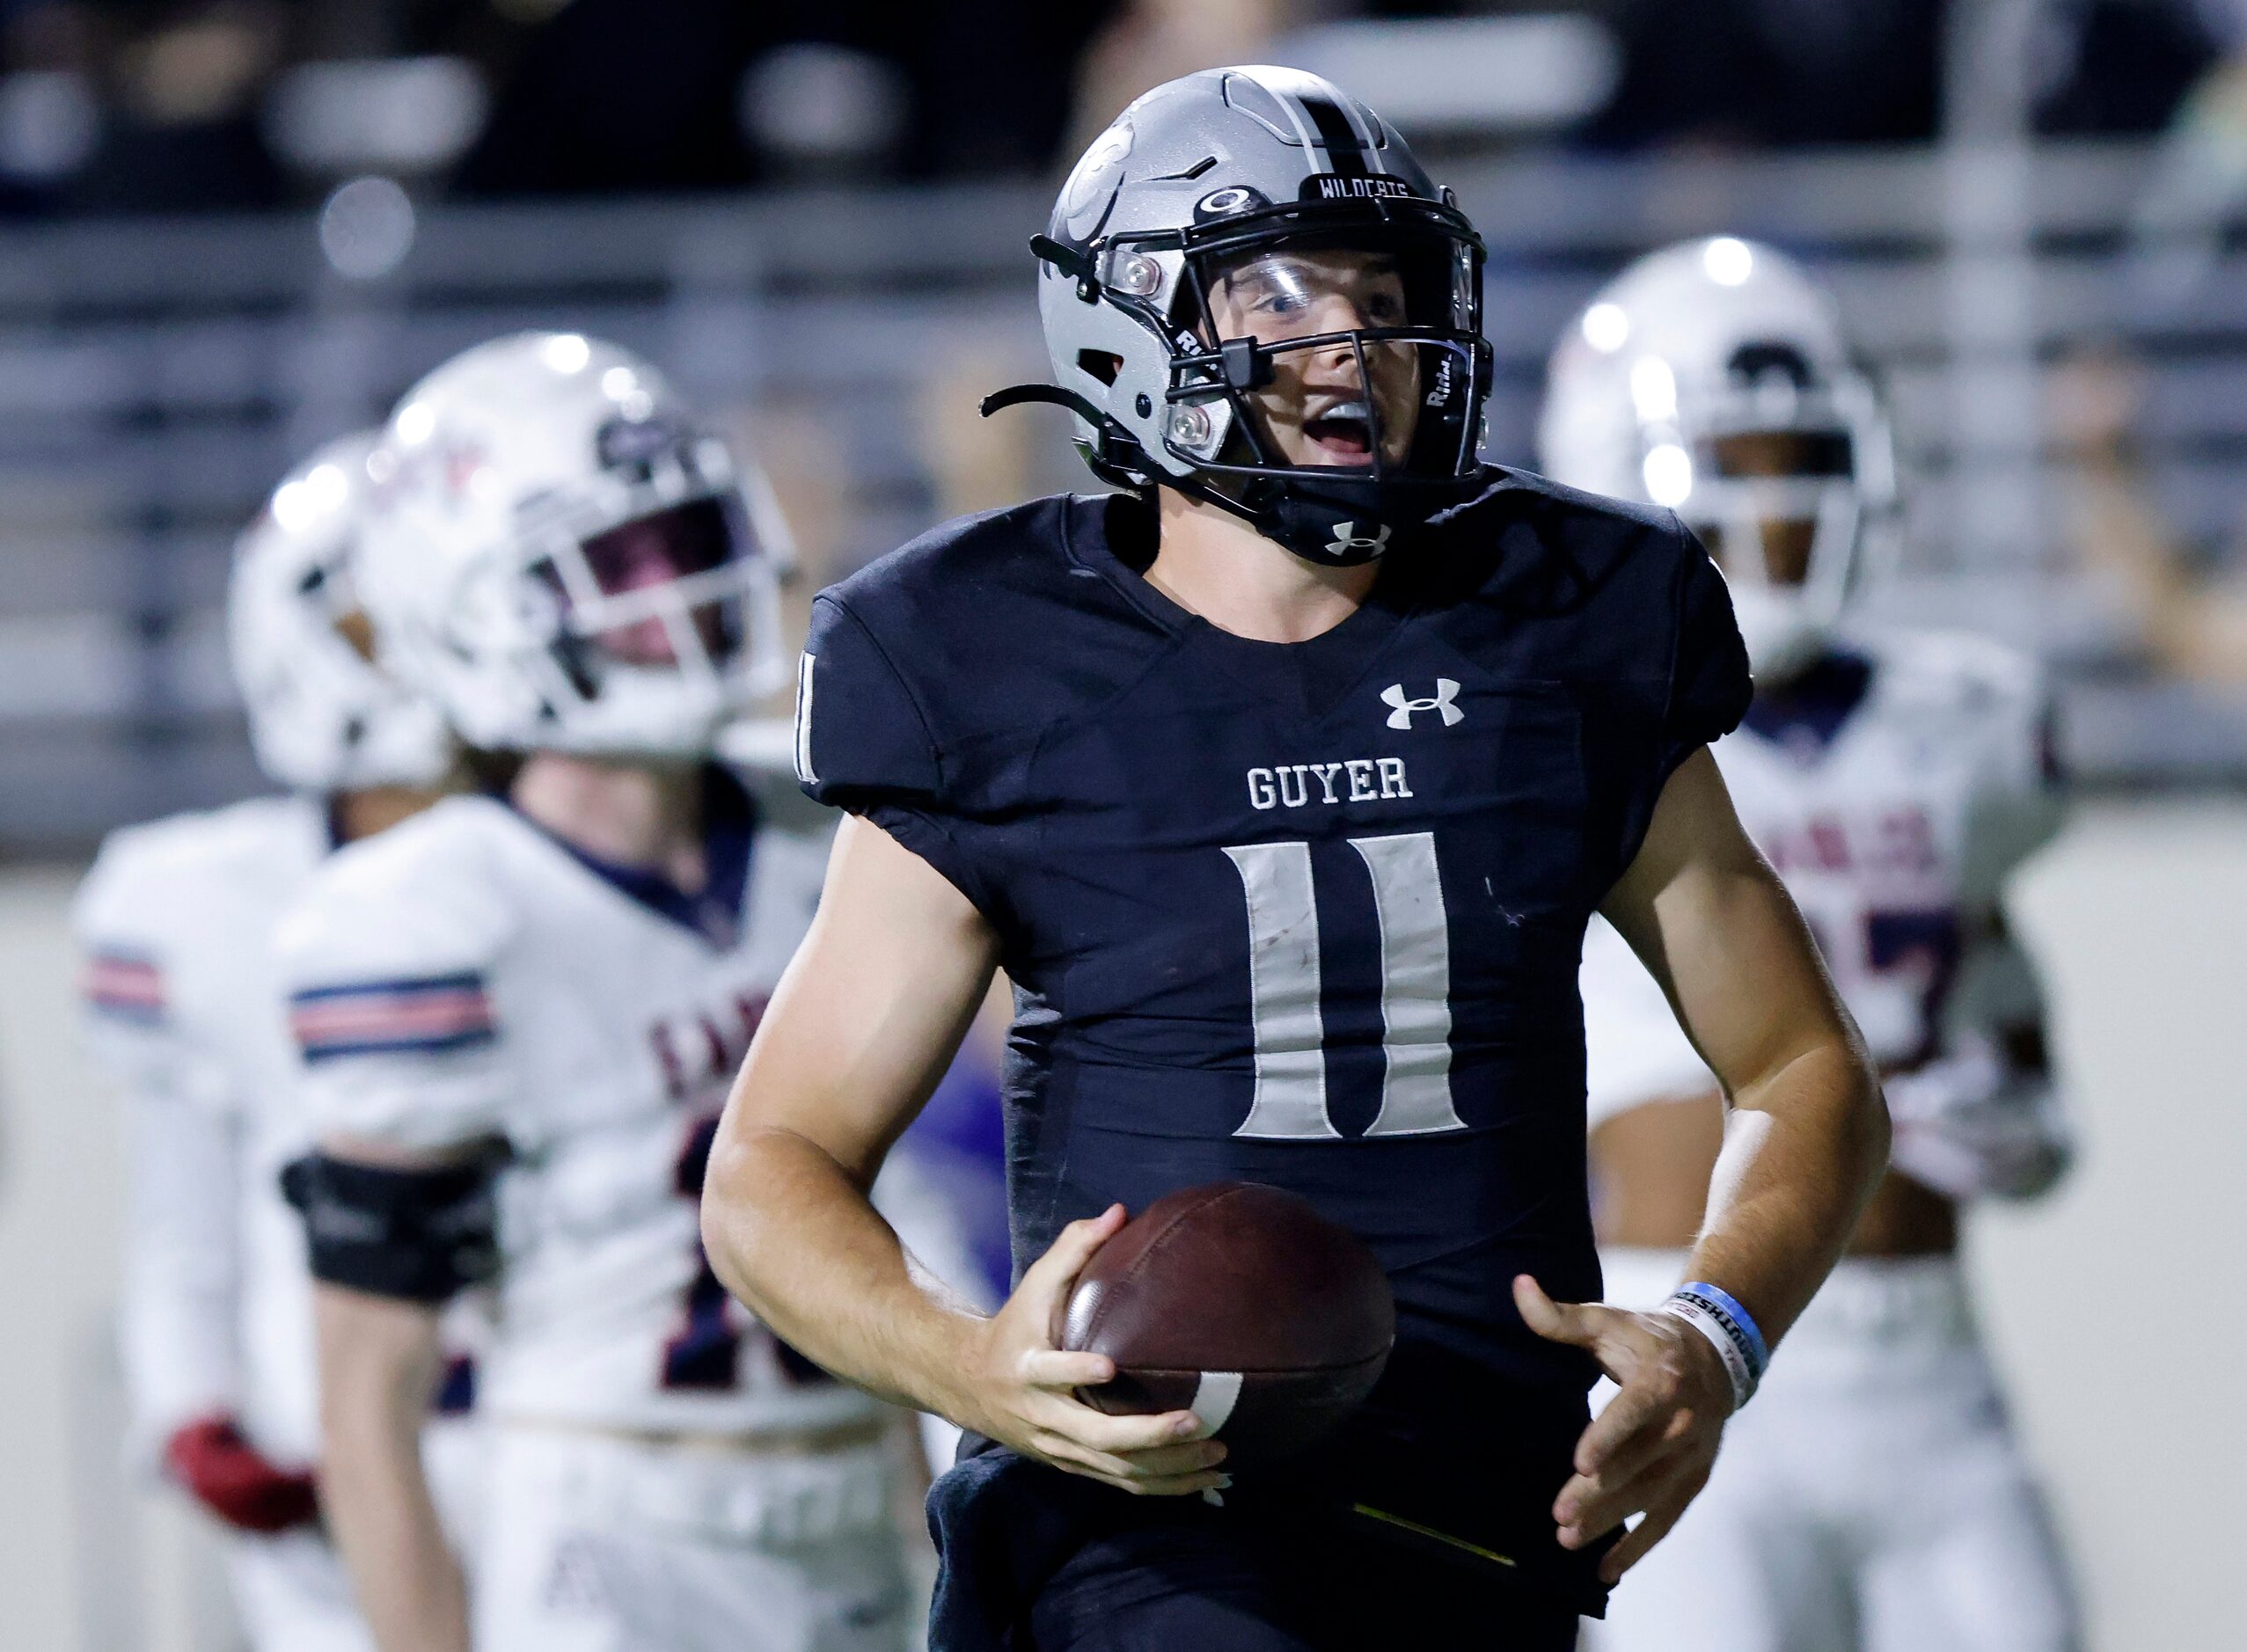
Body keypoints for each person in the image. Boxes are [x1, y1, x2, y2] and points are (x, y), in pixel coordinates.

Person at [699, 67, 1889, 1650]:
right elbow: (770, 1170)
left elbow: (1805, 1067)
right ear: (1131, 325)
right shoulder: (982, 659)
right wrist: (966, 1362)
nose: (1351, 340)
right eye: (1279, 291)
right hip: (1139, 1522)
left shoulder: (1570, 619)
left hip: (1486, 1519)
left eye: (1381, 293)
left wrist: (1716, 1330)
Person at [278, 333, 953, 1652]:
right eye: (622, 561)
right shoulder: (433, 911)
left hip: (852, 1502)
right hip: (614, 1527)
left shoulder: (825, 830)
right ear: (478, 605)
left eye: (688, 536)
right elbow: (366, 1397)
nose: (686, 589)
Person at [1541, 237, 2082, 1652]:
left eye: (1800, 455)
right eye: (1735, 457)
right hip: (1679, 1321)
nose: (1773, 504)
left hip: (1930, 1360)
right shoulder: (1571, 722)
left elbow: (1995, 973)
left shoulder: (1962, 719)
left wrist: (2019, 1100)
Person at [74, 433, 466, 1652]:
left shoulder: (578, 867)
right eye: (378, 623)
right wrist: (197, 1416)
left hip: (591, 1453)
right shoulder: (198, 903)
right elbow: (183, 1222)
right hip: (333, 1492)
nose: (420, 654)